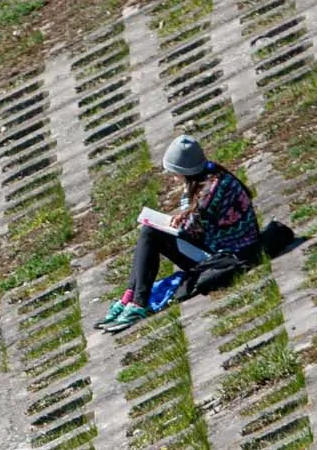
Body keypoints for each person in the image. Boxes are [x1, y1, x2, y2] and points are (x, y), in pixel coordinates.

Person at [102, 135, 261, 330]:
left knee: (150, 234)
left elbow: (189, 230)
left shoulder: (209, 192)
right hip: (232, 245)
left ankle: (138, 302)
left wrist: (177, 217)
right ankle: (130, 298)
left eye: (175, 172)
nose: (174, 177)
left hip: (225, 256)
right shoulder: (214, 174)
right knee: (150, 233)